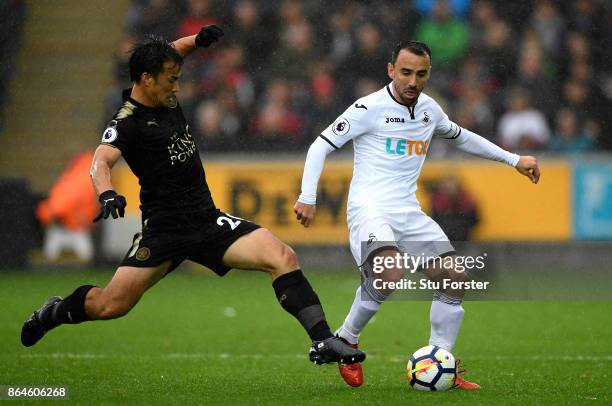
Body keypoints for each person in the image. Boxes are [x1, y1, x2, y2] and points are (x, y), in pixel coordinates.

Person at [21, 26, 364, 368]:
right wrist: (107, 193)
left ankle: (323, 340)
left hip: (207, 221)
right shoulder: (128, 121)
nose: (177, 86)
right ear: (146, 79)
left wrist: (196, 41)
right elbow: (101, 160)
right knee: (110, 305)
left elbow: (171, 51)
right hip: (165, 231)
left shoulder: (162, 85)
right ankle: (54, 312)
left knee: (282, 256)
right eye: (171, 79)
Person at [294, 40, 540, 389]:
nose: (412, 81)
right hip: (370, 209)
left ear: (428, 74)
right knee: (389, 270)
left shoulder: (429, 110)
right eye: (406, 72)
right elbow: (320, 145)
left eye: (420, 74)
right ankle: (347, 338)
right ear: (390, 70)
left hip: (408, 212)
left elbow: (461, 136)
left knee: (454, 278)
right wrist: (307, 196)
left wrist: (514, 160)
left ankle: (441, 362)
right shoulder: (368, 108)